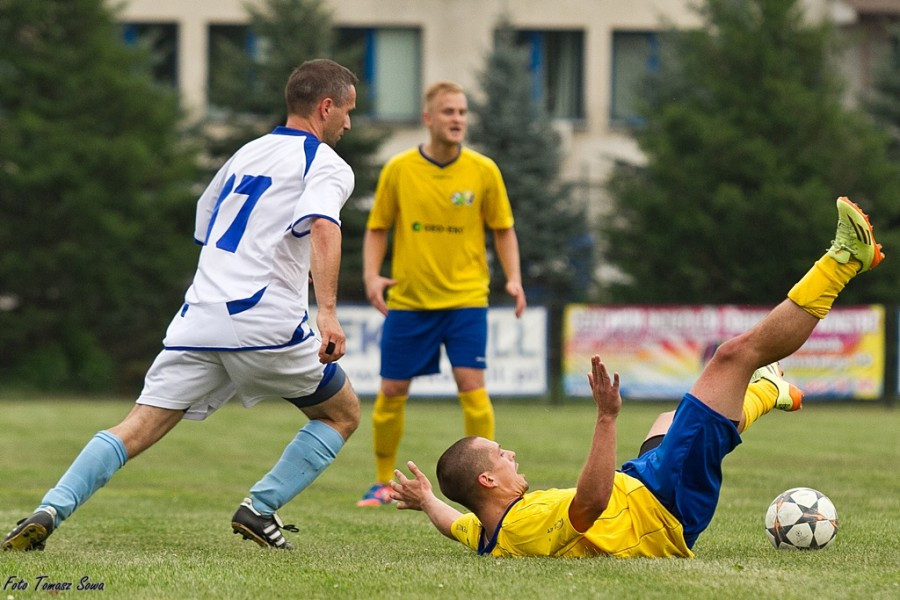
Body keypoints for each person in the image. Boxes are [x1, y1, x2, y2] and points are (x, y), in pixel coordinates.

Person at [387, 196, 883, 557]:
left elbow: (458, 524)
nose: (510, 452)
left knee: (672, 418)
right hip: (664, 501)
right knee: (733, 357)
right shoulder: (525, 523)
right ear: (488, 478)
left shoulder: (491, 533)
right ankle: (844, 260)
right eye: (500, 453)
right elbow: (589, 504)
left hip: (641, 485)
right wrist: (606, 417)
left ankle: (772, 391)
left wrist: (428, 499)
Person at [3, 59, 361, 552]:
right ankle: (259, 509)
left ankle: (49, 508)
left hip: (199, 317)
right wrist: (327, 312)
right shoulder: (324, 163)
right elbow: (323, 225)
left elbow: (207, 223)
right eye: (346, 111)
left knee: (135, 427)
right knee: (341, 414)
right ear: (325, 107)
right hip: (263, 320)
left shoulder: (242, 156)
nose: (348, 122)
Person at [357, 81, 527, 506]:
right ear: (429, 119)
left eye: (463, 112)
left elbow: (503, 229)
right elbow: (377, 228)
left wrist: (514, 278)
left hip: (467, 297)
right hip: (411, 300)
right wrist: (372, 276)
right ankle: (382, 484)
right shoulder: (398, 169)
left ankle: (492, 483)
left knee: (472, 385)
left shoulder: (483, 170)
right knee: (392, 391)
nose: (457, 119)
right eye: (449, 111)